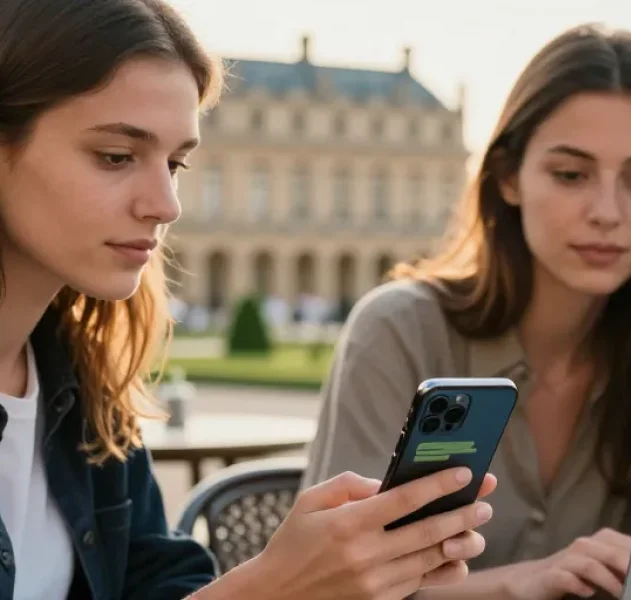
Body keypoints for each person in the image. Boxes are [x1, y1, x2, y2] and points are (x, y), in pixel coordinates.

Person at [0, 1, 495, 599]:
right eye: (116, 156)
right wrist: (272, 587)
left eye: (176, 162)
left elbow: (162, 581)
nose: (167, 204)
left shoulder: (86, 383)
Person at [303, 24, 631, 600]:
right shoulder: (400, 332)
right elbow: (333, 587)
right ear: (507, 177)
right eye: (571, 174)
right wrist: (524, 584)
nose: (607, 211)